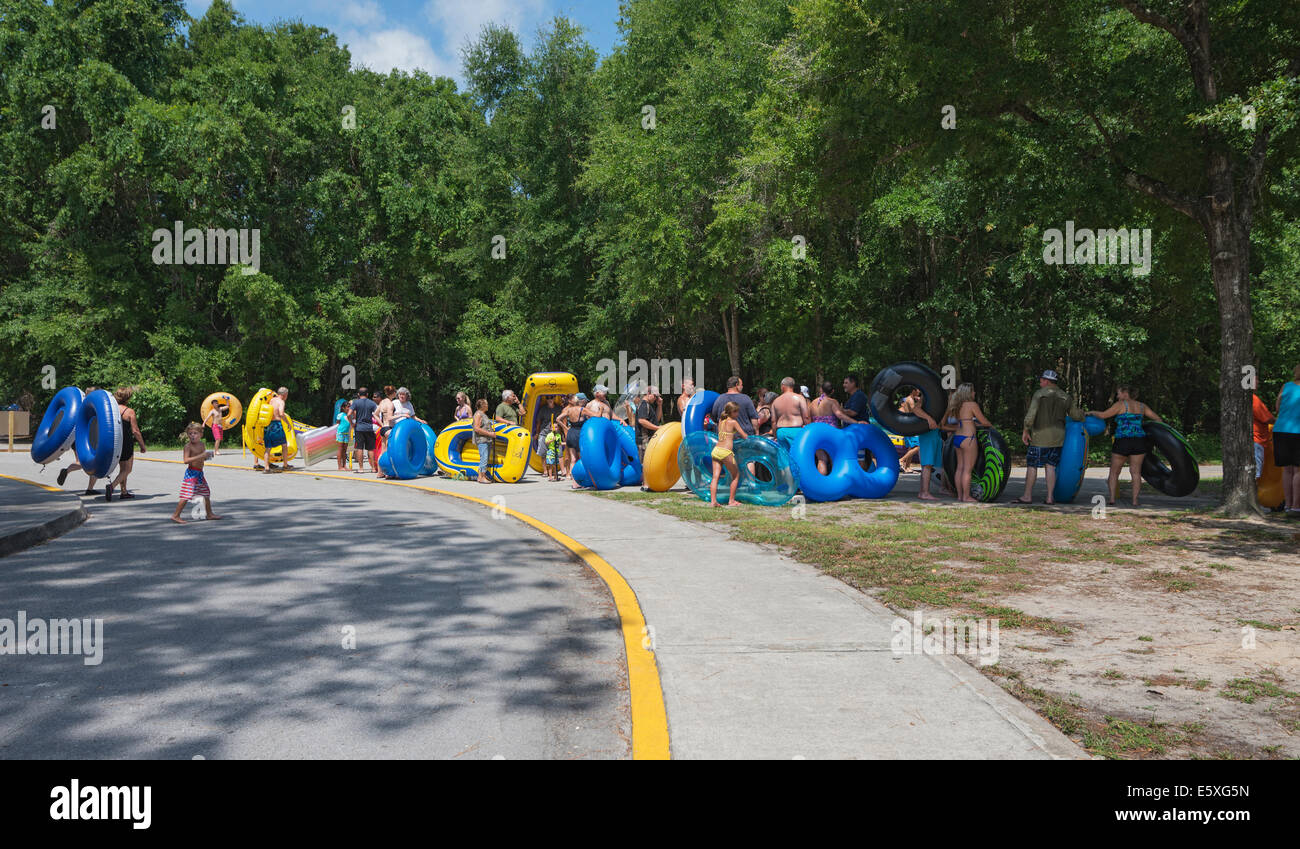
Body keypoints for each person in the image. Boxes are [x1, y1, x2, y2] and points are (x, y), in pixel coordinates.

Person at [1015, 369, 1085, 504]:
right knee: (1051, 467)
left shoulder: (1039, 395)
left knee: (1032, 466)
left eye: (1041, 380)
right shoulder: (1065, 396)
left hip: (1039, 437)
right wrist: (1083, 414)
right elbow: (1075, 415)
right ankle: (1049, 497)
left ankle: (1027, 496)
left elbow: (1030, 415)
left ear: (1046, 381)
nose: (1040, 383)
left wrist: (1025, 430)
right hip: (1058, 438)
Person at [1088, 385, 1163, 507]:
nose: (1117, 396)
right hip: (1139, 441)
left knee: (1114, 472)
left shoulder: (1120, 405)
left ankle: (1112, 499)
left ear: (1125, 393)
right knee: (1136, 472)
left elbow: (1103, 415)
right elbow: (1158, 419)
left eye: (1118, 393)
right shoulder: (1142, 406)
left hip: (1122, 440)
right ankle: (1135, 501)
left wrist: (1090, 412)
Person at [947, 382, 993, 503]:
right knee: (967, 469)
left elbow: (964, 421)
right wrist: (989, 425)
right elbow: (984, 422)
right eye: (972, 391)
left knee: (959, 468)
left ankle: (960, 496)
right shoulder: (972, 404)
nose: (974, 393)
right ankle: (967, 497)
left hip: (958, 437)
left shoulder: (956, 405)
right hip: (969, 438)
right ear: (968, 393)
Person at [171, 423, 221, 523]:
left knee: (206, 493)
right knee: (186, 495)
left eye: (195, 433)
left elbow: (203, 458)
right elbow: (186, 460)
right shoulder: (188, 446)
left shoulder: (202, 445)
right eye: (190, 433)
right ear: (187, 435)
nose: (193, 435)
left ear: (201, 434)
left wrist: (207, 456)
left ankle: (209, 514)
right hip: (191, 473)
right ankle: (176, 515)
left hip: (200, 473)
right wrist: (201, 455)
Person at [105, 386, 147, 501]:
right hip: (126, 443)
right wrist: (142, 445)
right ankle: (111, 487)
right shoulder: (129, 411)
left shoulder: (111, 409)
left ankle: (124, 492)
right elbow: (135, 431)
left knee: (122, 469)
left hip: (114, 441)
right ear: (127, 398)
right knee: (127, 469)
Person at [1272, 365, 1300, 515]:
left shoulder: (1286, 386)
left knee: (1287, 470)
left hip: (1281, 430)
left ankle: (1288, 505)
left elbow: (1277, 408)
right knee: (1298, 470)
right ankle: (1296, 507)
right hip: (1298, 431)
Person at [709, 401, 745, 508]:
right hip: (726, 452)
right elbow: (744, 436)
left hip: (716, 450)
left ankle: (713, 501)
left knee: (715, 477)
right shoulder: (733, 422)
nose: (738, 414)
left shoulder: (721, 421)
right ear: (732, 412)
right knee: (736, 475)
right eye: (737, 412)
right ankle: (731, 501)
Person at [915, 405, 943, 501]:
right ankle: (925, 493)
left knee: (926, 466)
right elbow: (915, 409)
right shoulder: (928, 396)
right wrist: (929, 419)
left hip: (934, 434)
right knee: (927, 465)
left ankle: (922, 492)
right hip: (928, 435)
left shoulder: (937, 397)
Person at [262, 387, 292, 472]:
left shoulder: (272, 400)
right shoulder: (281, 402)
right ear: (284, 395)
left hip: (268, 425)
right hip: (276, 425)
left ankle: (266, 468)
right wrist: (288, 423)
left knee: (268, 447)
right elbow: (281, 413)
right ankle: (285, 465)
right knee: (284, 445)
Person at [349, 388, 379, 473]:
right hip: (369, 428)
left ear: (358, 394)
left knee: (359, 448)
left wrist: (352, 423)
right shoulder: (372, 403)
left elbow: (348, 414)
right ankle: (373, 468)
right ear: (367, 394)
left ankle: (361, 468)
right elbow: (377, 413)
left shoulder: (356, 402)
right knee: (370, 449)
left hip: (359, 428)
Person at [561, 393, 587, 486]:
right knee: (578, 457)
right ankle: (576, 477)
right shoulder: (570, 409)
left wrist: (568, 430)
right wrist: (565, 430)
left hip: (571, 433)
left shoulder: (569, 410)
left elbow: (558, 419)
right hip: (575, 433)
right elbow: (563, 422)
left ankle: (573, 481)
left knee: (572, 458)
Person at [898, 388, 923, 473]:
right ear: (913, 390)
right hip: (909, 426)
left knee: (911, 447)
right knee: (918, 446)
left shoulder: (910, 399)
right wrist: (920, 402)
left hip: (909, 425)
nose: (919, 392)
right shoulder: (910, 400)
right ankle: (901, 460)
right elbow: (916, 412)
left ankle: (907, 467)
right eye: (918, 390)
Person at [635, 386, 663, 458]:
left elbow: (657, 419)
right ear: (648, 393)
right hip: (644, 441)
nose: (656, 398)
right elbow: (641, 420)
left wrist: (659, 405)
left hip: (648, 440)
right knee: (645, 465)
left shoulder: (648, 405)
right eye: (655, 396)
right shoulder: (644, 405)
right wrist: (657, 428)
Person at [1253, 391, 1276, 481]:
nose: (1258, 382)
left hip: (1253, 439)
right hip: (1256, 438)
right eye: (1256, 379)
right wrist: (1280, 422)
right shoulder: (1253, 399)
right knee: (1256, 473)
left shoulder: (1242, 399)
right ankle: (1252, 493)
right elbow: (1267, 418)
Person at [471, 398, 495, 484]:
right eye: (486, 404)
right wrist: (490, 434)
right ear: (483, 405)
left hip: (486, 439)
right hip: (482, 439)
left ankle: (481, 476)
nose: (487, 405)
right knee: (484, 457)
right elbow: (476, 428)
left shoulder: (482, 414)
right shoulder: (478, 414)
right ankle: (481, 477)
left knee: (485, 457)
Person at [335, 400, 352, 470]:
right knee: (340, 449)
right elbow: (337, 423)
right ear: (343, 408)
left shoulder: (349, 415)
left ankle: (344, 465)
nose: (348, 408)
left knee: (345, 450)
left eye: (349, 407)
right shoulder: (340, 415)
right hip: (340, 434)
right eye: (347, 407)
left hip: (346, 434)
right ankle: (339, 466)